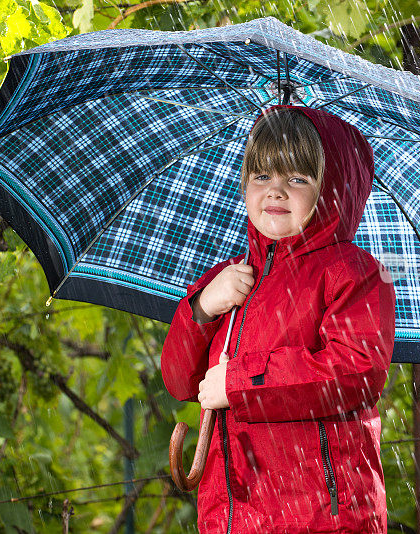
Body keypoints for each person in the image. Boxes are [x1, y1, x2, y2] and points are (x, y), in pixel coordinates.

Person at [161, 105, 396, 533]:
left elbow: (355, 372)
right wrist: (201, 309)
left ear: (333, 190)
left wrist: (239, 383)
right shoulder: (229, 279)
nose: (276, 192)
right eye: (262, 177)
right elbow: (180, 380)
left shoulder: (354, 273)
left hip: (321, 519)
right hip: (231, 518)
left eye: (297, 179)